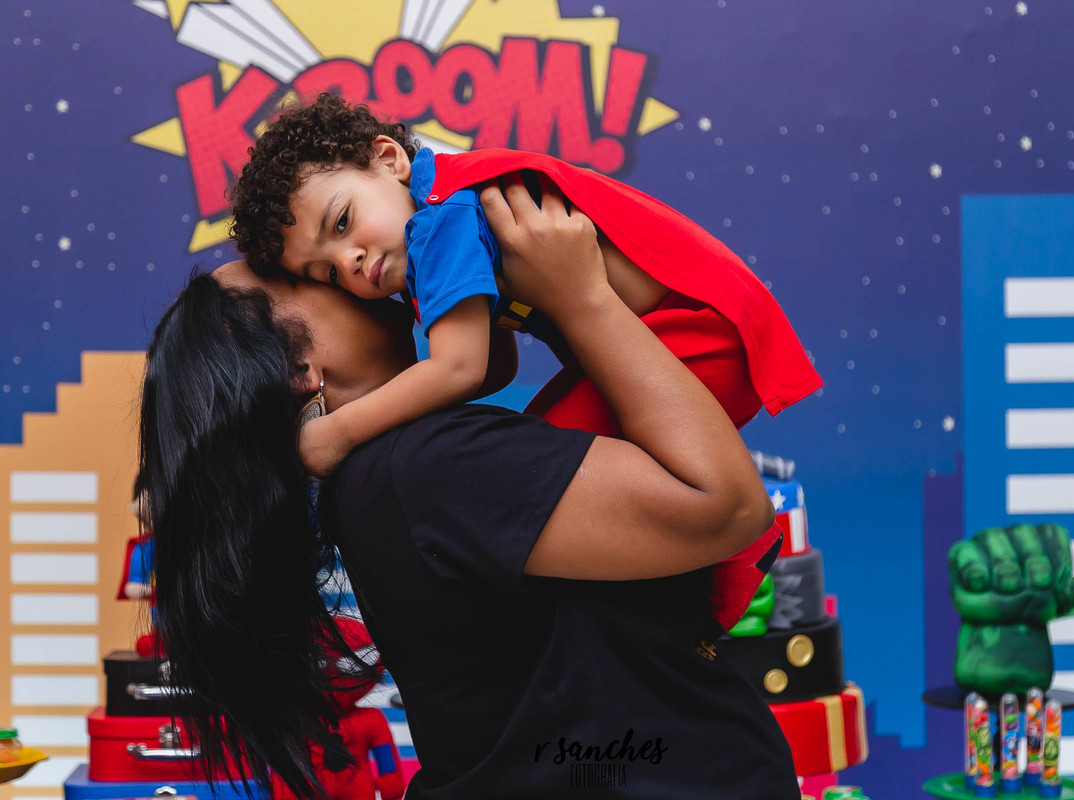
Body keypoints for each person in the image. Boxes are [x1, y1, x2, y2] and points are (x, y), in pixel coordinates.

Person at [140, 179, 803, 799]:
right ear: (300, 370)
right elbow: (727, 509)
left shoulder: (382, 476)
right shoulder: (423, 468)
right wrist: (583, 297)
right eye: (310, 276)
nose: (352, 271)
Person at [230, 93, 823, 633]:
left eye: (341, 223)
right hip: (680, 333)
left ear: (389, 160)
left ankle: (718, 584)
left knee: (538, 485)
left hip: (690, 339)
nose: (350, 262)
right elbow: (493, 367)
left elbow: (460, 369)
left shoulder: (439, 221)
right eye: (327, 273)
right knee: (536, 456)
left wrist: (335, 433)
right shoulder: (435, 219)